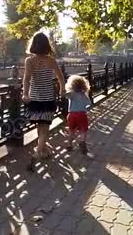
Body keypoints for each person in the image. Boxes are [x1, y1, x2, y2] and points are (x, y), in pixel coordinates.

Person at [22, 32, 66, 163]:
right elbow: (61, 78)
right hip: (48, 99)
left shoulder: (29, 61)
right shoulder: (51, 61)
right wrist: (62, 90)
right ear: (47, 45)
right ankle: (37, 153)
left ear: (33, 45)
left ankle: (43, 150)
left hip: (34, 99)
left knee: (40, 126)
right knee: (45, 128)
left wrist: (25, 94)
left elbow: (26, 80)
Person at [65, 75, 92, 155]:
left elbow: (65, 95)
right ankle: (82, 142)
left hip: (72, 114)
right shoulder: (83, 95)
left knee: (71, 130)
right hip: (82, 114)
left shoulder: (71, 94)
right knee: (83, 130)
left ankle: (69, 145)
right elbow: (89, 103)